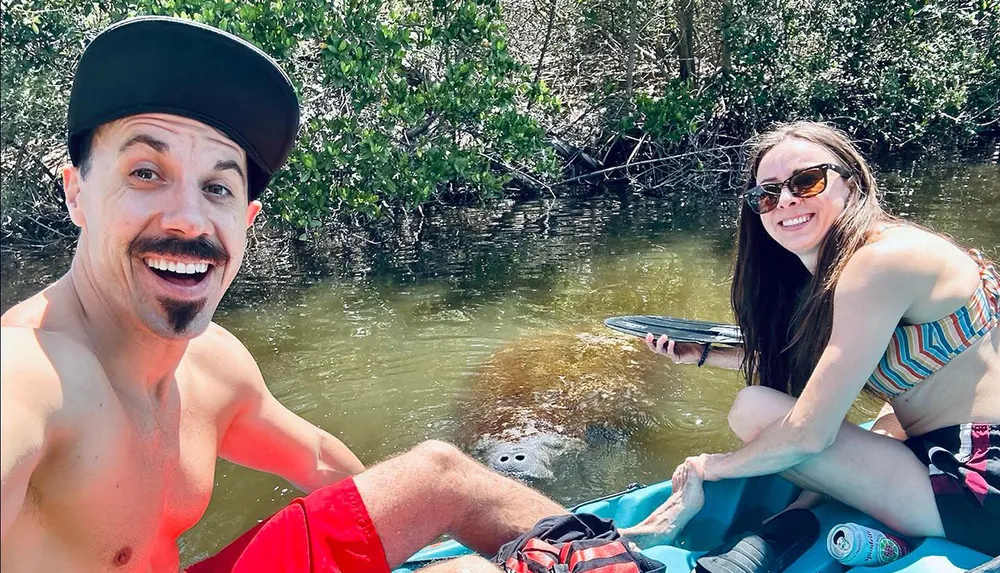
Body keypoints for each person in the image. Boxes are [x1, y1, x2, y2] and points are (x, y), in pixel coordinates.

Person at [0, 16, 567, 573]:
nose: (188, 219)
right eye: (146, 172)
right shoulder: (29, 372)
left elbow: (318, 460)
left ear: (246, 221)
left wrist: (403, 552)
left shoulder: (210, 365)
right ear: (77, 193)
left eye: (217, 188)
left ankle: (621, 552)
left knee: (440, 476)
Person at [621, 121, 999, 556]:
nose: (785, 200)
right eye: (768, 192)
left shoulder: (878, 265)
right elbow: (826, 359)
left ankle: (797, 517)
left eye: (807, 181)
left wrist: (708, 468)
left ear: (851, 184)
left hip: (980, 483)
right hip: (951, 450)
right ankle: (804, 511)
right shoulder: (881, 250)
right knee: (840, 423)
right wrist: (702, 353)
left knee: (754, 410)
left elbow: (808, 435)